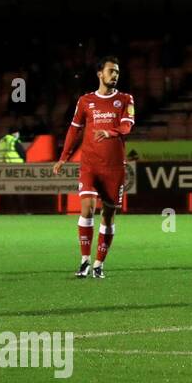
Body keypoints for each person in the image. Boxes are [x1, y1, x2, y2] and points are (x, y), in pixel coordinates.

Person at [52, 56, 134, 279]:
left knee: (108, 215)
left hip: (114, 167)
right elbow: (74, 129)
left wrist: (111, 132)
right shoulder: (85, 101)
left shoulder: (126, 99)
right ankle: (84, 261)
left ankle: (99, 263)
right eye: (111, 71)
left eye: (117, 71)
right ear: (100, 74)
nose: (115, 75)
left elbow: (128, 125)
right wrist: (63, 157)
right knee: (86, 209)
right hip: (89, 164)